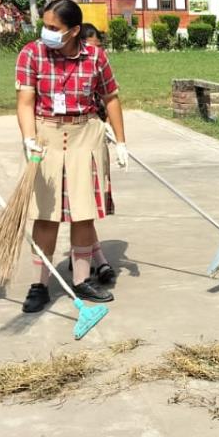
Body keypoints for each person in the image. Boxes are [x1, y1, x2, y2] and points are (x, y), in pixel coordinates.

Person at [14, 0, 127, 313]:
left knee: (82, 211)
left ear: (75, 30)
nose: (46, 33)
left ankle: (81, 279)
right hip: (46, 134)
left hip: (84, 134)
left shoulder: (95, 57)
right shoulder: (31, 53)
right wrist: (28, 137)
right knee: (46, 214)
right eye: (45, 26)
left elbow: (111, 97)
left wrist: (121, 141)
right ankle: (39, 284)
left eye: (55, 28)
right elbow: (25, 101)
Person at [76, 24, 124, 286]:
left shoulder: (96, 67)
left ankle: (98, 259)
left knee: (88, 206)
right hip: (72, 143)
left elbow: (110, 99)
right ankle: (98, 259)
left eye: (99, 46)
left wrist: (109, 129)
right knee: (81, 207)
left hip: (93, 140)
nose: (97, 52)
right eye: (93, 46)